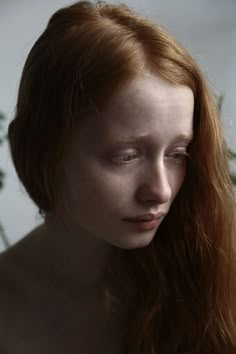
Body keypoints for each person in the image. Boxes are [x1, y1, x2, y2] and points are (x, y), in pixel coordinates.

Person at [0, 1, 235, 353]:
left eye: (177, 154)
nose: (161, 190)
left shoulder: (212, 280)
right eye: (125, 157)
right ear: (41, 150)